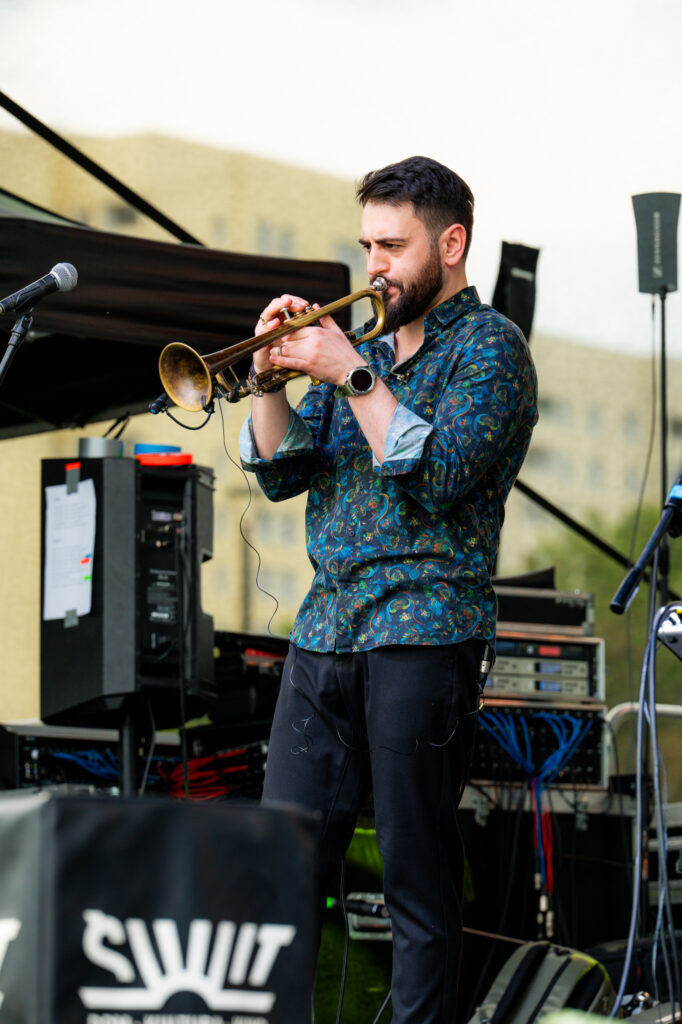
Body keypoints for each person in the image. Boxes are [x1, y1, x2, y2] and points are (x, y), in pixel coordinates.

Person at [239, 155, 538, 1023]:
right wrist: (267, 381)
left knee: (416, 880)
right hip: (324, 632)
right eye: (367, 242)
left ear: (451, 243)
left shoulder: (492, 351)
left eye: (393, 245)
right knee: (279, 872)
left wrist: (353, 377)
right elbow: (282, 472)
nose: (374, 264)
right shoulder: (360, 348)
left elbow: (439, 471)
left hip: (424, 633)